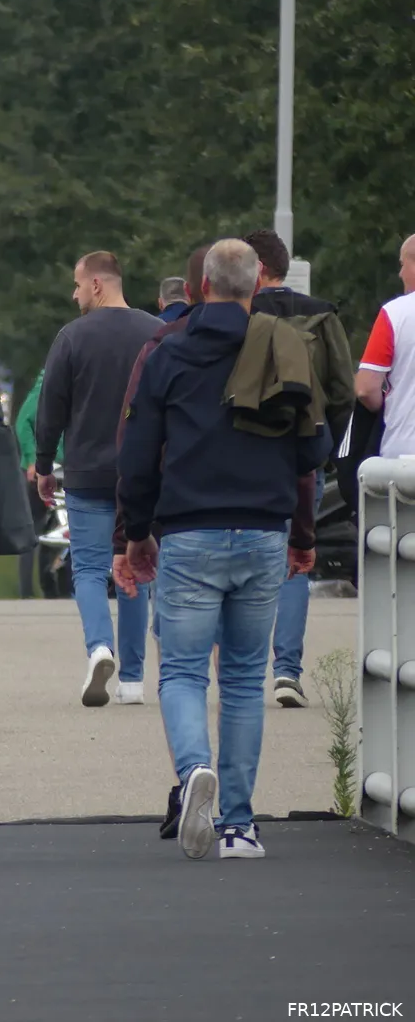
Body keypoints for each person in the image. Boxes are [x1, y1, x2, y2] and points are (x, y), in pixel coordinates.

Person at [118, 239, 329, 862]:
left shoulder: (168, 352)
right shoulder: (283, 349)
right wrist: (302, 534)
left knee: (182, 671)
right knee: (241, 679)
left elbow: (136, 452)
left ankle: (193, 774)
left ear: (203, 286)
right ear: (256, 285)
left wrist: (136, 533)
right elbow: (311, 455)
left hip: (189, 532)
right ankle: (240, 826)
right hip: (264, 532)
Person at [35, 251, 161, 706]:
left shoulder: (72, 337)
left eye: (77, 284)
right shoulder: (155, 333)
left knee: (88, 568)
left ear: (97, 285)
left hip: (88, 471)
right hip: (142, 472)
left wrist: (45, 465)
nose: (73, 294)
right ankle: (132, 680)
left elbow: (51, 409)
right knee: (134, 567)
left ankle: (99, 648)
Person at [244, 228, 356, 709]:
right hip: (304, 451)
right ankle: (286, 670)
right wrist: (331, 450)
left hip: (247, 452)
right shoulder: (323, 313)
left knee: (247, 559)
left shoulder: (243, 315)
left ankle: (243, 669)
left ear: (257, 270)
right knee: (296, 558)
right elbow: (343, 390)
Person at [354, 234, 415, 456]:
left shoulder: (394, 313)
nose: (400, 274)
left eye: (402, 265)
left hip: (405, 452)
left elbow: (365, 388)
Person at [12, 371, 63, 599]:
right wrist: (31, 459)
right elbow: (23, 422)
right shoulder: (46, 387)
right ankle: (26, 592)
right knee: (31, 530)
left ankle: (50, 588)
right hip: (38, 470)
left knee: (54, 531)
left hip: (63, 469)